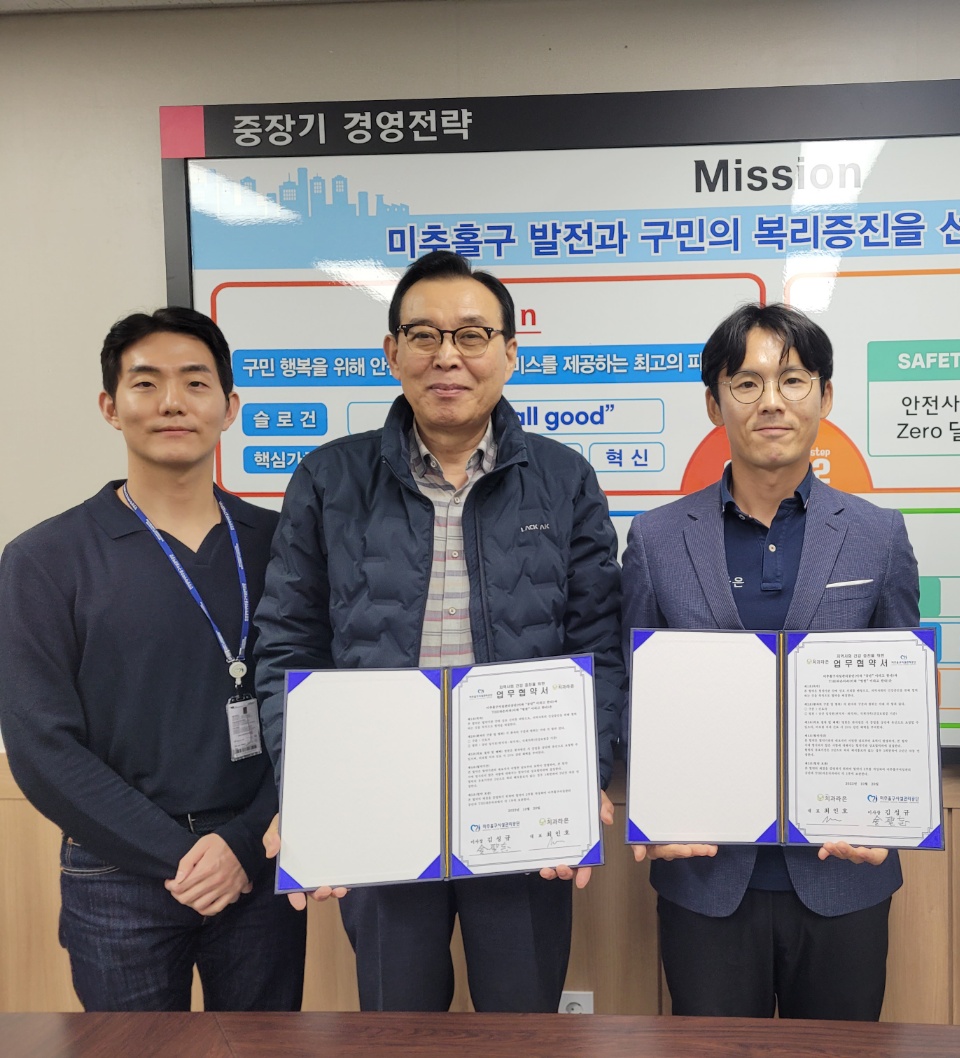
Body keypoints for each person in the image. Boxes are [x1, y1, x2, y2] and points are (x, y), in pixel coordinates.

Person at [254, 250, 623, 1012]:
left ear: (510, 353)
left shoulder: (564, 480)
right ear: (392, 353)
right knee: (396, 1021)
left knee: (522, 1022)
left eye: (472, 335)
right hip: (378, 798)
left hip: (521, 802)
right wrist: (309, 789)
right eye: (423, 335)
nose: (447, 356)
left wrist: (580, 774)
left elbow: (597, 645)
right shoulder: (328, 480)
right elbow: (289, 647)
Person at [0, 308, 305, 1011]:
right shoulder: (45, 559)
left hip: (259, 860)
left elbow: (314, 707)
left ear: (229, 407)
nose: (172, 402)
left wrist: (241, 845)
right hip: (115, 874)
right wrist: (182, 857)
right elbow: (41, 746)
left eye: (195, 382)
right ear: (110, 407)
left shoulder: (282, 543)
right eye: (145, 383)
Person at [621, 303, 920, 1020]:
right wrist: (652, 806)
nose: (772, 402)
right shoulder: (657, 538)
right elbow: (636, 693)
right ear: (714, 403)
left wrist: (892, 811)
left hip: (843, 874)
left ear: (825, 396)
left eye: (792, 380)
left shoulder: (877, 535)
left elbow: (903, 699)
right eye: (747, 383)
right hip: (706, 877)